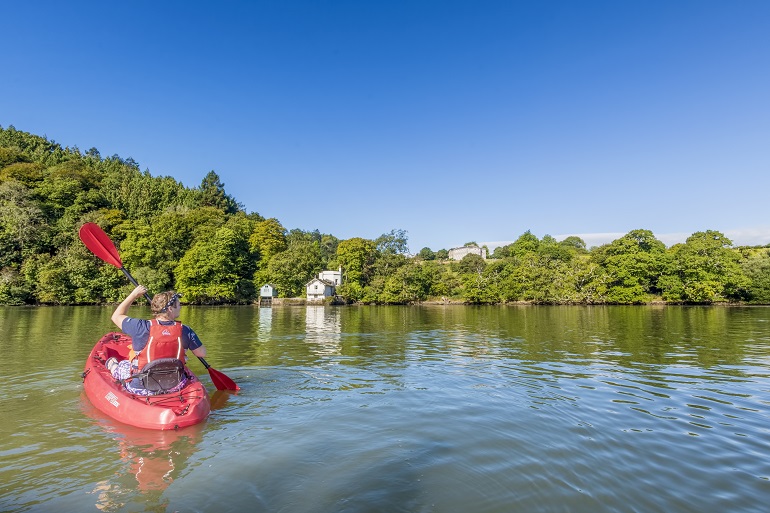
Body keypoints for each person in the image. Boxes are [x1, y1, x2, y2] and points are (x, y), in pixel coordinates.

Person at [106, 285, 207, 395]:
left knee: (124, 364)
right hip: (175, 385)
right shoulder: (185, 330)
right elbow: (201, 353)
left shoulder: (140, 326)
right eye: (178, 305)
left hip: (141, 388)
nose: (180, 307)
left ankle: (112, 365)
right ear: (170, 309)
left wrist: (134, 295)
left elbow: (116, 316)